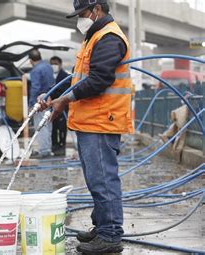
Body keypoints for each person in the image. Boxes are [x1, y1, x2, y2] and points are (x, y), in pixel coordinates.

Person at [39, 0, 133, 253]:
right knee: (95, 180)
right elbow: (77, 78)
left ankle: (111, 235)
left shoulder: (109, 38)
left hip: (102, 121)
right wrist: (52, 95)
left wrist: (65, 100)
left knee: (103, 180)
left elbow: (99, 80)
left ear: (96, 10)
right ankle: (102, 226)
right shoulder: (94, 37)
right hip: (91, 120)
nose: (80, 19)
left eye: (82, 14)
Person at [26, 49, 55, 158]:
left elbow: (35, 87)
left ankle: (44, 150)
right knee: (48, 124)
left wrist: (31, 104)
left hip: (40, 101)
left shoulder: (35, 71)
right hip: (50, 98)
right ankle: (48, 148)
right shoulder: (48, 67)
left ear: (30, 60)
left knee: (40, 125)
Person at [49, 56, 71, 155]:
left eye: (55, 64)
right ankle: (54, 144)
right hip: (52, 105)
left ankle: (62, 145)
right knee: (53, 126)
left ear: (60, 65)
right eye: (51, 64)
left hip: (63, 105)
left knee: (62, 126)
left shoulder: (65, 76)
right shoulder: (49, 75)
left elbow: (66, 90)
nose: (53, 66)